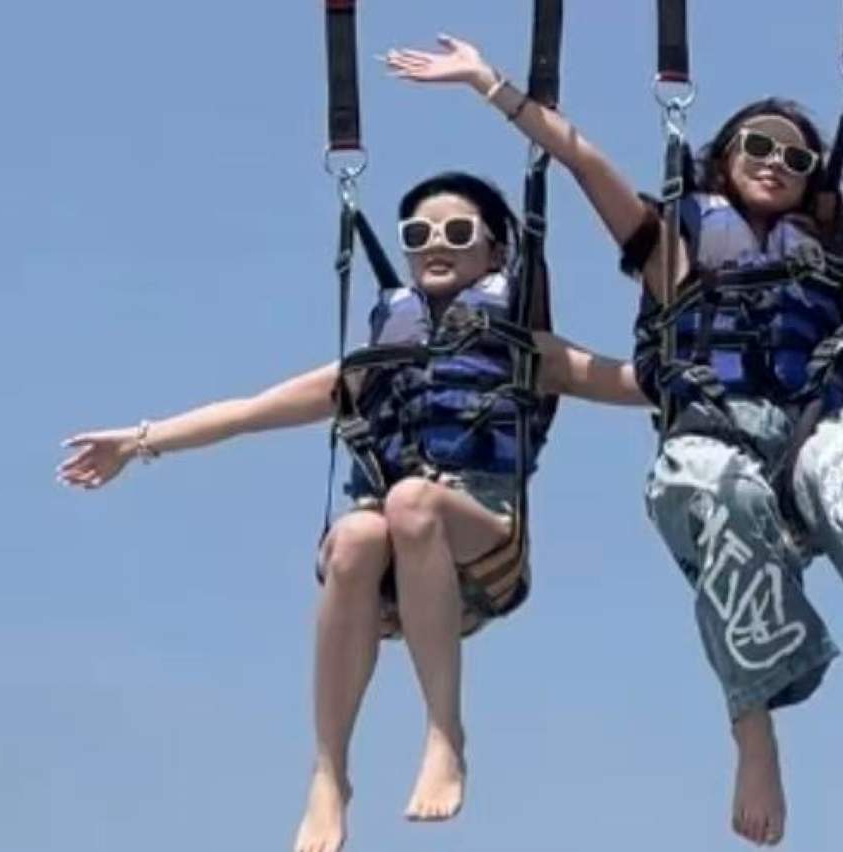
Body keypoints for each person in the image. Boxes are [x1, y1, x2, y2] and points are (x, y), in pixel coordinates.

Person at [385, 35, 843, 846]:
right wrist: (491, 85)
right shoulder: (674, 254)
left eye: (795, 157)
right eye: (757, 146)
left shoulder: (835, 265)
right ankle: (754, 728)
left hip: (806, 449)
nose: (774, 161)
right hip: (712, 444)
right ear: (722, 160)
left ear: (813, 180)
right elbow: (583, 161)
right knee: (712, 488)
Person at [55, 172, 646, 852]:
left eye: (457, 233)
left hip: (484, 553)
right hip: (392, 573)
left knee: (410, 500)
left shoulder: (528, 353)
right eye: (418, 234)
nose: (435, 244)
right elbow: (249, 412)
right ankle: (330, 774)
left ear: (495, 254)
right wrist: (138, 441)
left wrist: (704, 359)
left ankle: (443, 732)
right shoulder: (374, 362)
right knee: (354, 534)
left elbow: (635, 383)